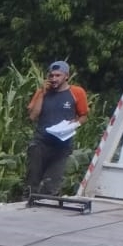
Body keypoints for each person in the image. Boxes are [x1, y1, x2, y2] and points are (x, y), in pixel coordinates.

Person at [24, 60, 89, 198]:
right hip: (40, 142)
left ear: (66, 76)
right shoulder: (42, 92)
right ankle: (27, 203)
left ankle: (46, 207)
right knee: (32, 181)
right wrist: (42, 93)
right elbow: (33, 116)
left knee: (51, 184)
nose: (54, 79)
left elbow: (83, 116)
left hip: (62, 145)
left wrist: (74, 124)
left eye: (58, 75)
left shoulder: (77, 92)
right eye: (51, 76)